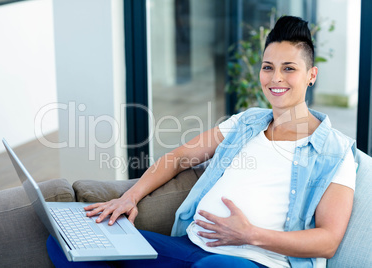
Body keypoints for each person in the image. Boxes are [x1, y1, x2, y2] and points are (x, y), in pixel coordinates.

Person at [47, 16, 356, 268]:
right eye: (268, 67)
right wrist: (131, 195)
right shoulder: (247, 122)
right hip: (189, 246)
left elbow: (328, 241)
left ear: (311, 75)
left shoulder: (336, 151)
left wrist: (250, 235)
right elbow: (180, 156)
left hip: (254, 260)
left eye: (289, 68)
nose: (276, 78)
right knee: (68, 239)